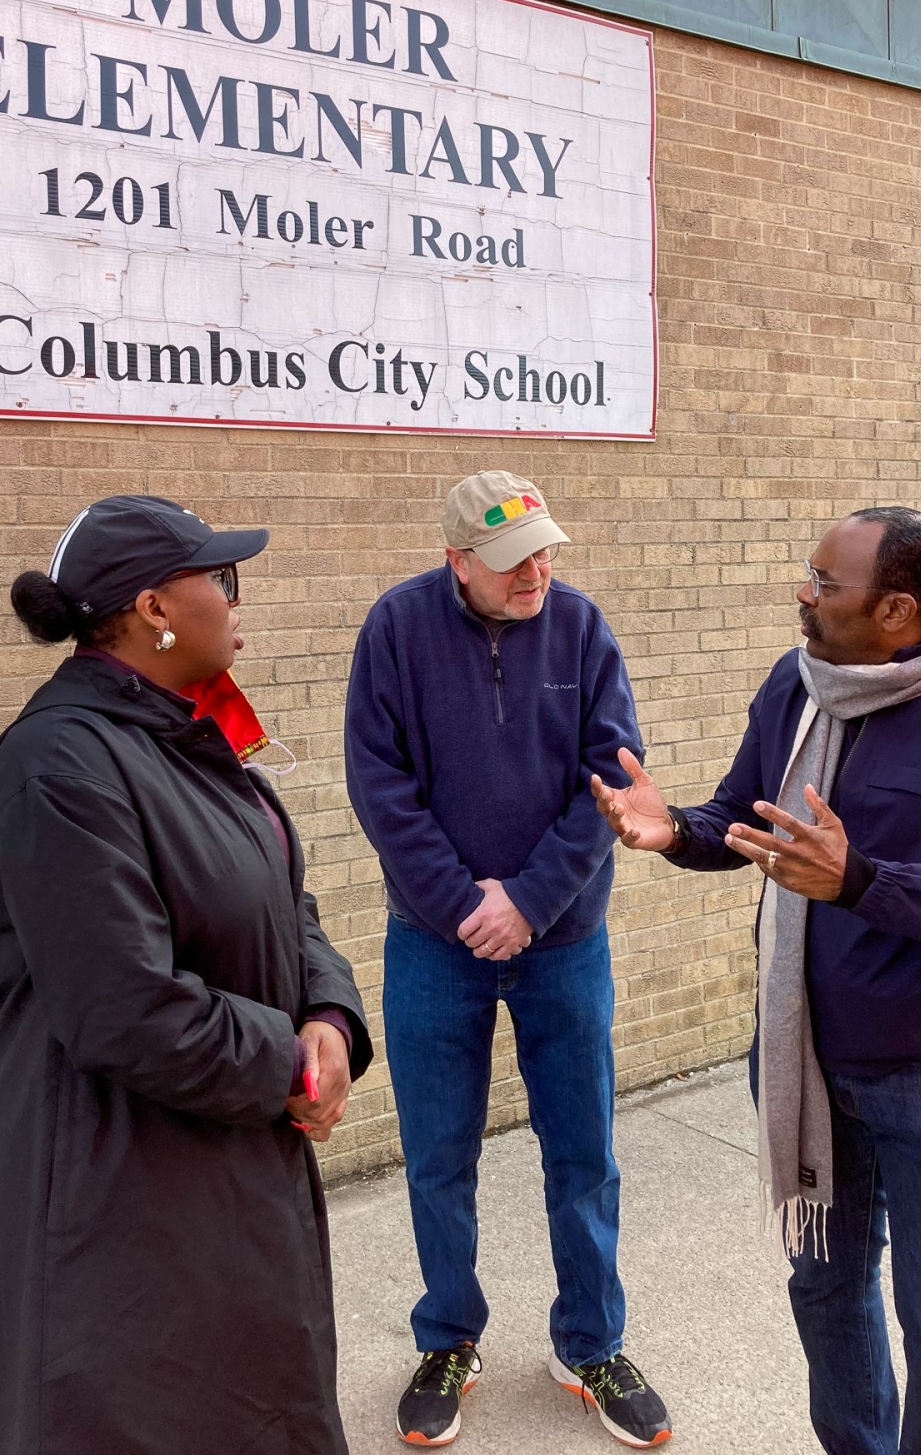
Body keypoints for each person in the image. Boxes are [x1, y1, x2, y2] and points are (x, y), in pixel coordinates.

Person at [0, 494, 373, 1455]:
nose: (237, 600)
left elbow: (282, 900)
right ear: (154, 607)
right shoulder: (59, 766)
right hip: (120, 1198)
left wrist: (329, 1015)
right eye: (220, 580)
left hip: (224, 1164)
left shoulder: (183, 735)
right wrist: (290, 1065)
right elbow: (124, 1005)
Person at [592, 507, 921, 1455]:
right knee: (825, 1292)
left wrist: (863, 883)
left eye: (823, 582)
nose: (800, 594)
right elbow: (743, 816)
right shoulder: (797, 681)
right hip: (802, 1058)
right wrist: (675, 831)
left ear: (898, 610)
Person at [344, 470, 672, 1450]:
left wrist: (526, 901)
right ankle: (447, 1336)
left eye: (542, 549)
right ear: (455, 561)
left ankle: (590, 1340)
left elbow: (610, 779)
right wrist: (461, 905)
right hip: (433, 947)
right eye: (508, 558)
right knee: (439, 1155)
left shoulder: (580, 626)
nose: (534, 570)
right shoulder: (394, 630)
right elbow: (378, 782)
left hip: (561, 941)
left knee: (581, 1154)